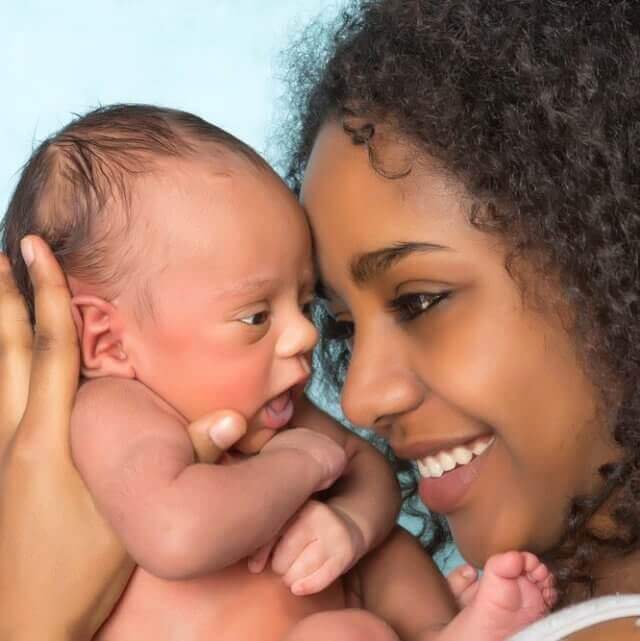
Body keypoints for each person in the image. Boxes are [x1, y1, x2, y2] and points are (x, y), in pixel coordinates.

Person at [2, 0, 638, 637]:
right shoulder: (120, 414)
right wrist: (302, 465)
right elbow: (177, 532)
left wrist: (27, 623)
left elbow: (361, 474)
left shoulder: (274, 414)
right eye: (343, 327)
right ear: (106, 339)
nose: (356, 398)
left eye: (419, 300)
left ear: (610, 261)